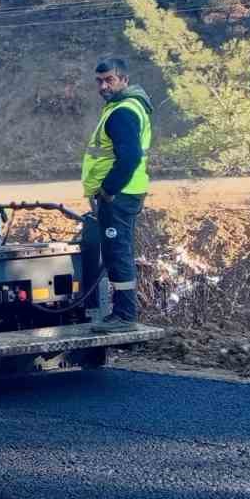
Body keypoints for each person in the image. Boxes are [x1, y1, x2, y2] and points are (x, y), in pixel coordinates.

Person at [80, 56, 154, 327]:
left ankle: (124, 315)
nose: (103, 86)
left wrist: (109, 190)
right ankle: (122, 313)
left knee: (117, 251)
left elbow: (130, 157)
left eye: (109, 80)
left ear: (124, 79)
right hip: (125, 193)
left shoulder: (123, 112)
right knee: (116, 250)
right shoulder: (124, 107)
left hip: (119, 195)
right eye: (99, 81)